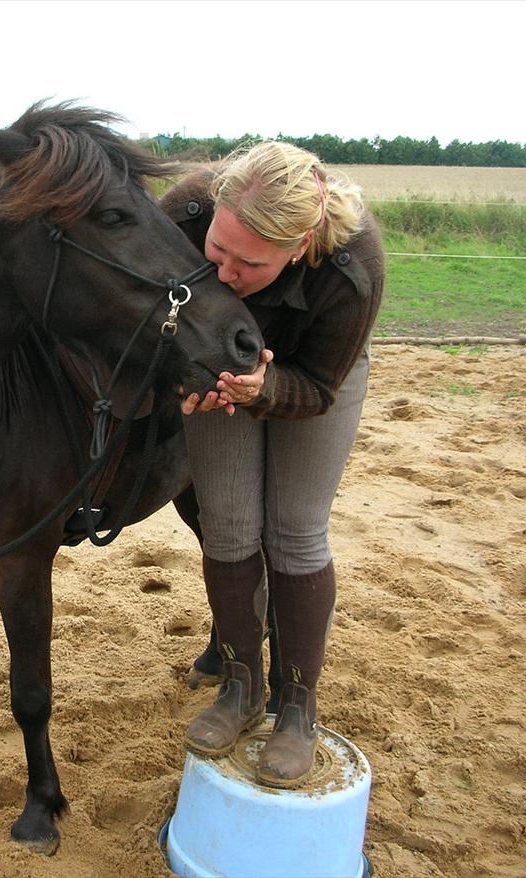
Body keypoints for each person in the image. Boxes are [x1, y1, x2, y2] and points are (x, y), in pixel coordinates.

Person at [159, 141, 385, 787]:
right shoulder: (186, 209)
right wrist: (181, 379)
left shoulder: (353, 263)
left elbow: (317, 387)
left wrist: (269, 390)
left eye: (250, 263)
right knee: (228, 524)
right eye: (217, 251)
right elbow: (142, 304)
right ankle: (240, 687)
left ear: (300, 244)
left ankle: (296, 708)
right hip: (218, 362)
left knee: (295, 531)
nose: (225, 272)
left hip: (313, 373)